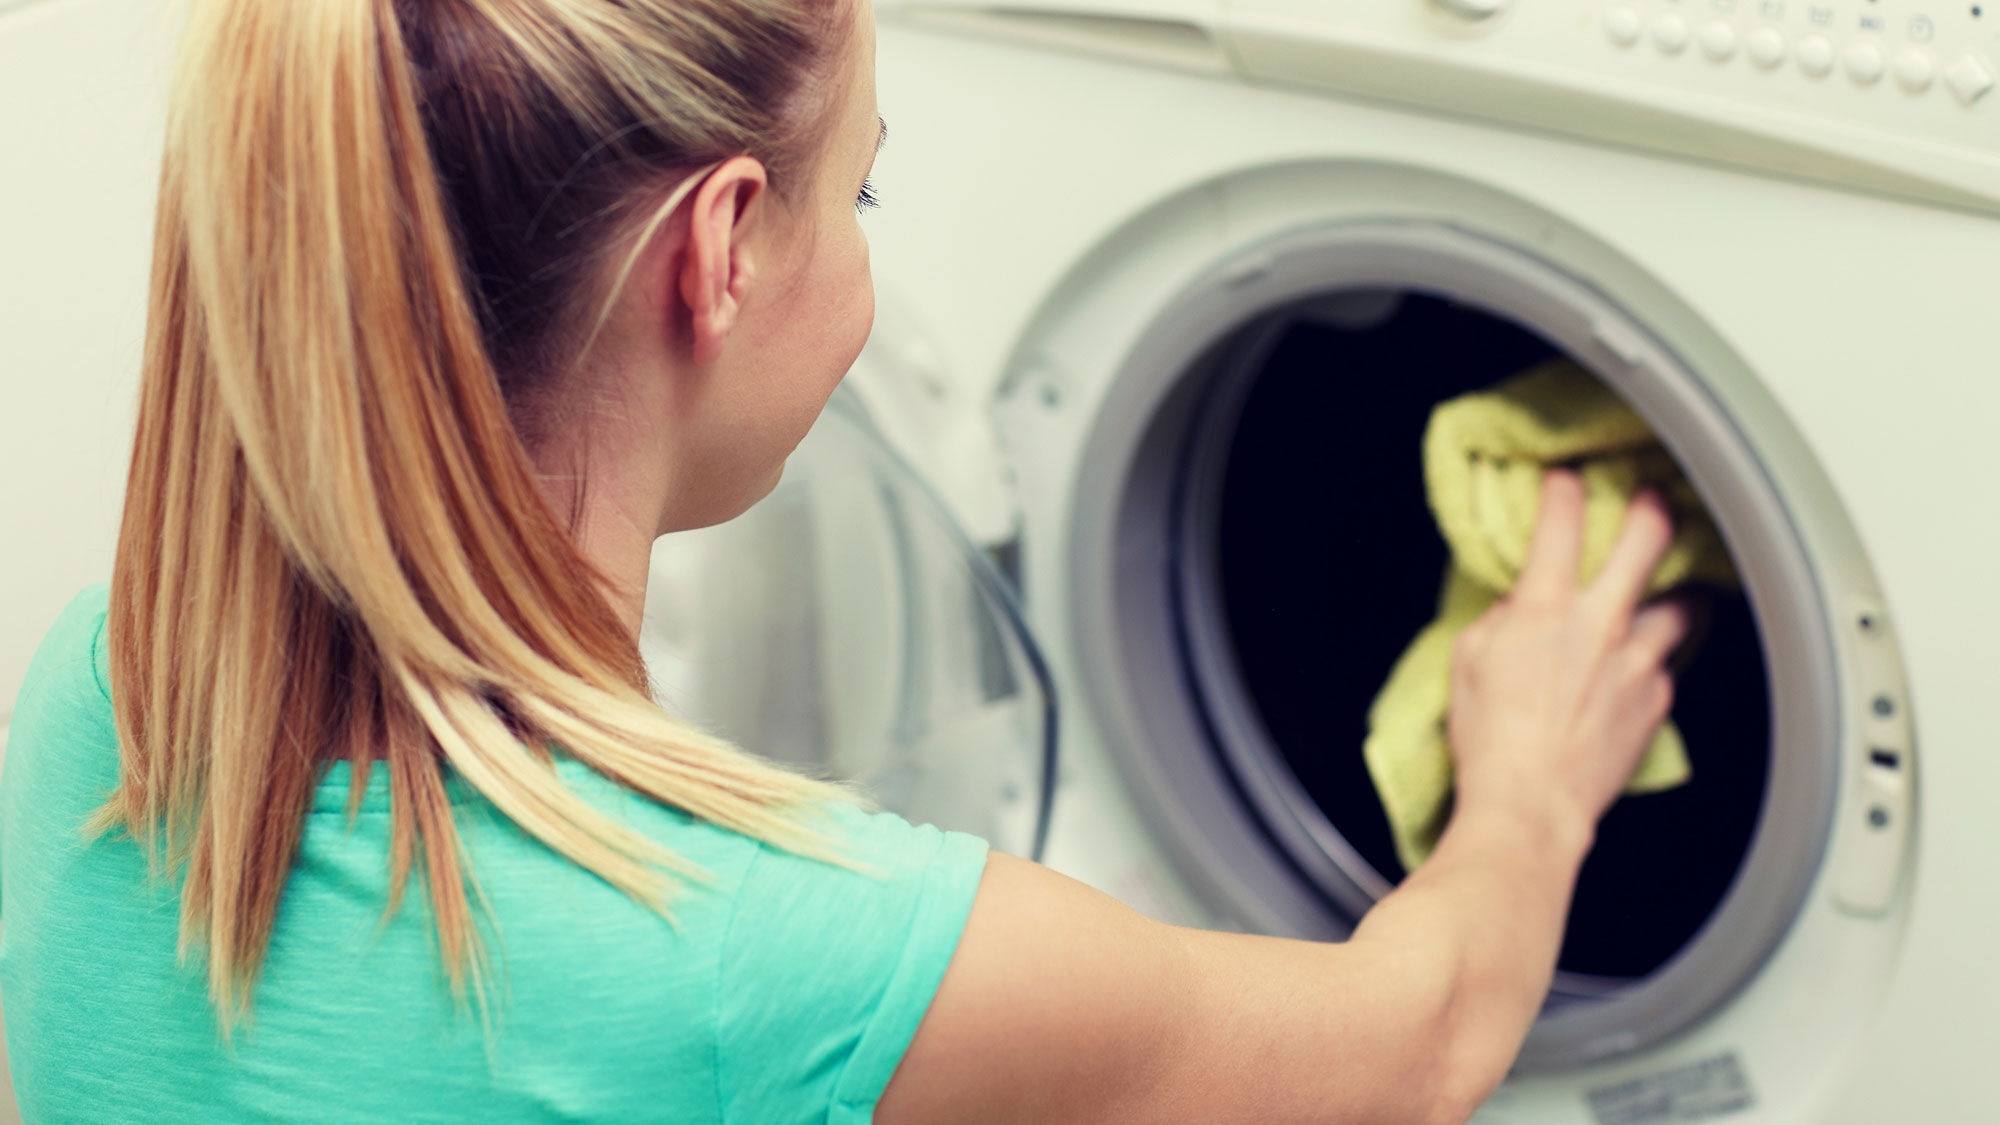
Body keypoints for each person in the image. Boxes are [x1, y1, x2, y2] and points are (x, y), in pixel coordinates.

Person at [0, 0, 1691, 1120]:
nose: (864, 262)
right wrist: (1533, 779)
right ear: (721, 251)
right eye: (857, 197)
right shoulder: (775, 956)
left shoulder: (91, 699)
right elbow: (1417, 1040)